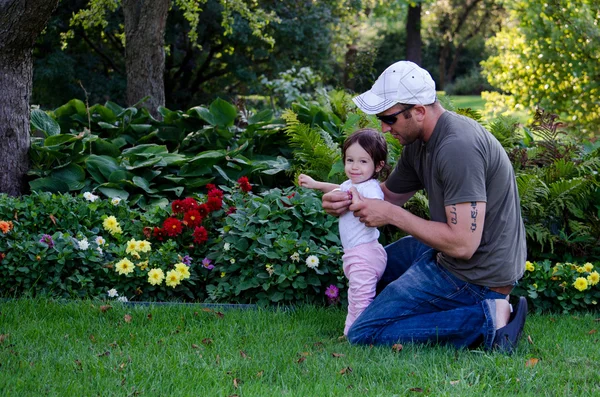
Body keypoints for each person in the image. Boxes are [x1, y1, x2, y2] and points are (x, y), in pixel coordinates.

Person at [322, 60, 528, 353]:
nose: (383, 127)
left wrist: (392, 215)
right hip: (448, 255)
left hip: (476, 275)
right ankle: (443, 311)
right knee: (370, 272)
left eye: (389, 117)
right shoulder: (418, 143)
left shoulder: (458, 147)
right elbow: (385, 198)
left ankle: (486, 317)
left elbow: (462, 245)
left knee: (362, 332)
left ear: (419, 111)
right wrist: (340, 198)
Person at [299, 128, 389, 335]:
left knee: (361, 298)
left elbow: (376, 207)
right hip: (355, 253)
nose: (355, 167)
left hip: (364, 254)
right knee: (356, 295)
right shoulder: (352, 184)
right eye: (350, 160)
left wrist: (356, 198)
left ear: (378, 166)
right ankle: (352, 332)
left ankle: (358, 334)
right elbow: (338, 188)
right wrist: (315, 185)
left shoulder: (370, 187)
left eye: (363, 161)